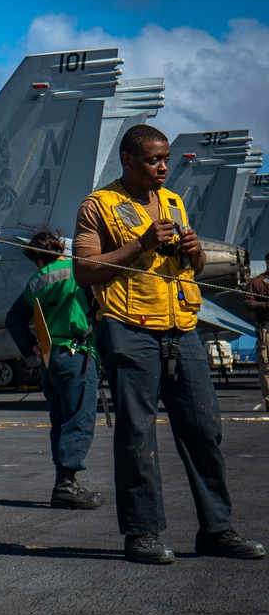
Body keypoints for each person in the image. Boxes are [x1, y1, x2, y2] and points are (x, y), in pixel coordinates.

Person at [72, 124, 264, 564]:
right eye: (153, 160)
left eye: (165, 160)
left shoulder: (173, 202)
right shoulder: (98, 206)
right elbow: (84, 269)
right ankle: (142, 533)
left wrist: (195, 250)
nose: (162, 168)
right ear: (127, 159)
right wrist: (139, 245)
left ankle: (217, 529)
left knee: (204, 431)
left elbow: (192, 267)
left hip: (182, 326)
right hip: (129, 328)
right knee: (137, 433)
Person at [5, 228, 104, 510]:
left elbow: (13, 319)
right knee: (79, 418)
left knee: (60, 420)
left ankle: (63, 481)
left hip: (50, 359)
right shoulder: (77, 271)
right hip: (76, 355)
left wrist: (31, 347)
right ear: (61, 248)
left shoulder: (35, 282)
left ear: (36, 259)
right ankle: (66, 485)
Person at [242, 251, 269, 411]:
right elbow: (247, 302)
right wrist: (265, 305)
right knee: (266, 364)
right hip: (266, 326)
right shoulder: (257, 283)